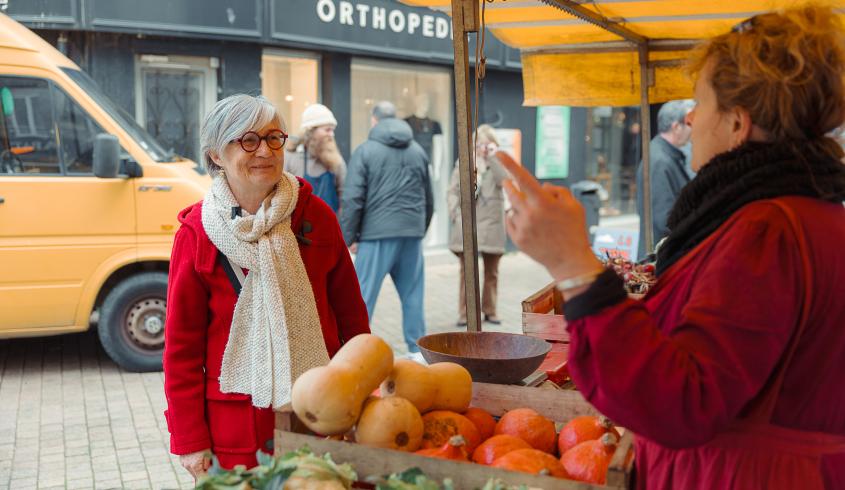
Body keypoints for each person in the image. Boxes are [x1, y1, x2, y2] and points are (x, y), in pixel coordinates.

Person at [499, 6, 845, 488]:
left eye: (699, 104)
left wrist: (573, 265)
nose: (693, 118)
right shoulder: (806, 214)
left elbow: (680, 401)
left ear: (737, 124)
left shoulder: (768, 232)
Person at [163, 94, 370, 476]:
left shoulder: (315, 215)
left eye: (274, 138)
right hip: (235, 426)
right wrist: (190, 440)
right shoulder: (197, 233)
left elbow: (352, 321)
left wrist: (362, 397)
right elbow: (182, 350)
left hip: (322, 414)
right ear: (215, 155)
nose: (265, 150)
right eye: (248, 139)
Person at [341, 101, 433, 355]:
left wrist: (348, 238)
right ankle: (417, 353)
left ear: (374, 120)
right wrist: (418, 229)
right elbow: (429, 197)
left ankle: (354, 352)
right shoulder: (417, 151)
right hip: (410, 235)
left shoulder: (366, 151)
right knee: (413, 296)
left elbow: (353, 199)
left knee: (360, 298)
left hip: (376, 236)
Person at [447, 124, 507, 326]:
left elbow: (505, 181)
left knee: (492, 272)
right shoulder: (465, 162)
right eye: (479, 143)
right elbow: (453, 190)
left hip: (492, 224)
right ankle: (465, 313)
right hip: (469, 223)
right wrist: (455, 213)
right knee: (467, 272)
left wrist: (492, 157)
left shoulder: (498, 161)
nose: (482, 148)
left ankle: (490, 310)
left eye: (486, 144)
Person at [635, 99, 695, 259]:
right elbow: (665, 219)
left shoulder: (663, 155)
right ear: (676, 127)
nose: (693, 130)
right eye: (689, 124)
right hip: (661, 257)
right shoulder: (660, 160)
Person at [284, 103, 346, 214]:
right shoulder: (291, 157)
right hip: (298, 228)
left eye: (332, 130)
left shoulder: (336, 161)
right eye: (327, 130)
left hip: (329, 227)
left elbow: (344, 196)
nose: (331, 134)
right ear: (310, 132)